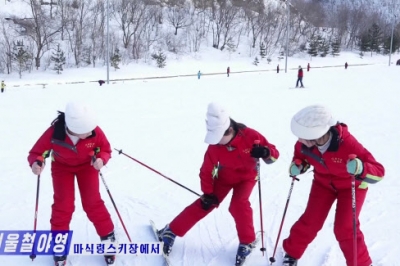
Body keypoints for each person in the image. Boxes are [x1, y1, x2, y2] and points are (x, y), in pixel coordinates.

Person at [156, 102, 280, 265]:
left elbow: (274, 155)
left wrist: (266, 152)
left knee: (238, 205)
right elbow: (206, 171)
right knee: (205, 204)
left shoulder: (250, 136)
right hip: (223, 178)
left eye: (219, 138)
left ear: (229, 130)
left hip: (247, 178)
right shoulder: (214, 148)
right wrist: (207, 193)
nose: (216, 142)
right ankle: (170, 231)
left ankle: (247, 242)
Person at [282, 104, 384, 266]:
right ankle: (291, 252)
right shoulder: (303, 144)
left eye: (302, 137)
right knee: (310, 221)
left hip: (351, 186)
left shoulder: (348, 145)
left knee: (345, 228)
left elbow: (379, 172)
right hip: (323, 184)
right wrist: (299, 166)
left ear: (315, 135)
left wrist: (361, 168)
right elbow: (301, 157)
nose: (299, 141)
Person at [27, 102, 116, 266]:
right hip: (62, 168)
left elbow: (105, 149)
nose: (90, 133)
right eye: (86, 132)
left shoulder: (94, 131)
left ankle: (108, 236)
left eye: (91, 130)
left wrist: (102, 159)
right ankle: (59, 245)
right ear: (73, 128)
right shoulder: (55, 132)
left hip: (87, 167)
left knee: (92, 203)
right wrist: (36, 163)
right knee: (63, 205)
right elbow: (36, 152)